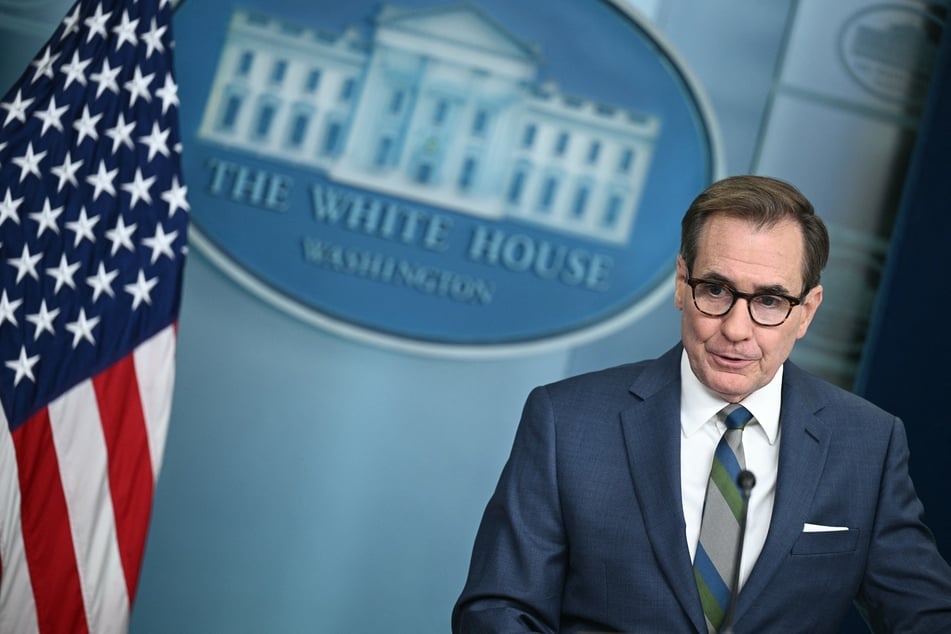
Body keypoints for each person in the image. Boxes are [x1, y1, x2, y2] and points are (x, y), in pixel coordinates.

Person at [452, 175, 951, 633]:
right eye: (715, 290)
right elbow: (498, 612)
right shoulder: (568, 422)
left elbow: (926, 617)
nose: (735, 329)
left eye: (770, 302)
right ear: (680, 284)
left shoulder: (869, 443)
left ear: (807, 311)